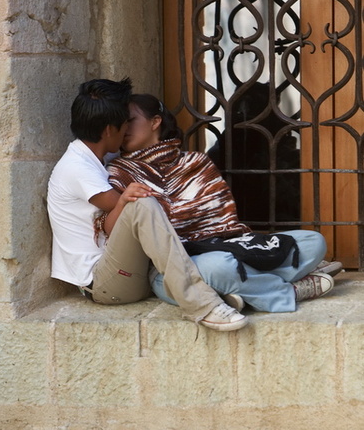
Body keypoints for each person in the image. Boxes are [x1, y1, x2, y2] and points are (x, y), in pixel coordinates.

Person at [104, 93, 340, 314]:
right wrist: (123, 203)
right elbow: (114, 232)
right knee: (221, 267)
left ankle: (236, 291)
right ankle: (288, 291)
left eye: (130, 121)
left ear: (155, 122)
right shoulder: (118, 172)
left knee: (313, 242)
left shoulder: (196, 161)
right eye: (120, 123)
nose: (123, 128)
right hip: (172, 271)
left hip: (223, 247)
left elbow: (225, 225)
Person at [47, 78, 249, 332]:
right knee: (142, 204)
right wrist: (125, 197)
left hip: (134, 270)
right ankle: (203, 306)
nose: (126, 134)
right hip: (105, 282)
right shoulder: (77, 168)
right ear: (109, 130)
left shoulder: (96, 156)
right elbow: (122, 219)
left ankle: (219, 296)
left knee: (209, 265)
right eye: (124, 125)